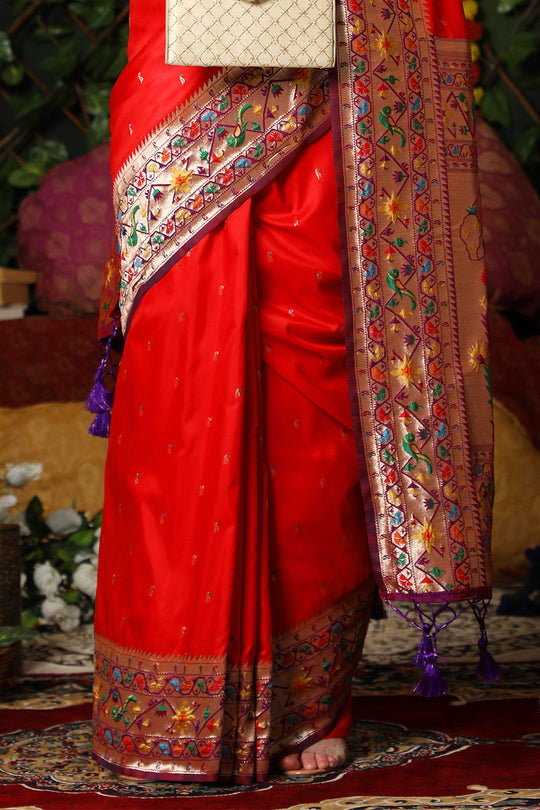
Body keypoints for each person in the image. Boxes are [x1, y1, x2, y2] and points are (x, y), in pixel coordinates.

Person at [90, 0, 494, 784]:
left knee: (311, 369)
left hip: (332, 80)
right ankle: (167, 692)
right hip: (190, 79)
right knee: (178, 377)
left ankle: (309, 699)